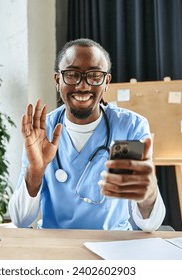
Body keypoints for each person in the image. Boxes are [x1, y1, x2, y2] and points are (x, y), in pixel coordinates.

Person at [9, 38, 165, 231]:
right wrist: (35, 171)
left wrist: (147, 195)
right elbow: (20, 220)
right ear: (58, 80)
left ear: (106, 82)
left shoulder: (128, 128)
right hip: (56, 247)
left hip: (112, 247)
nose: (83, 86)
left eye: (94, 75)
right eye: (72, 74)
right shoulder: (43, 131)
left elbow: (149, 224)